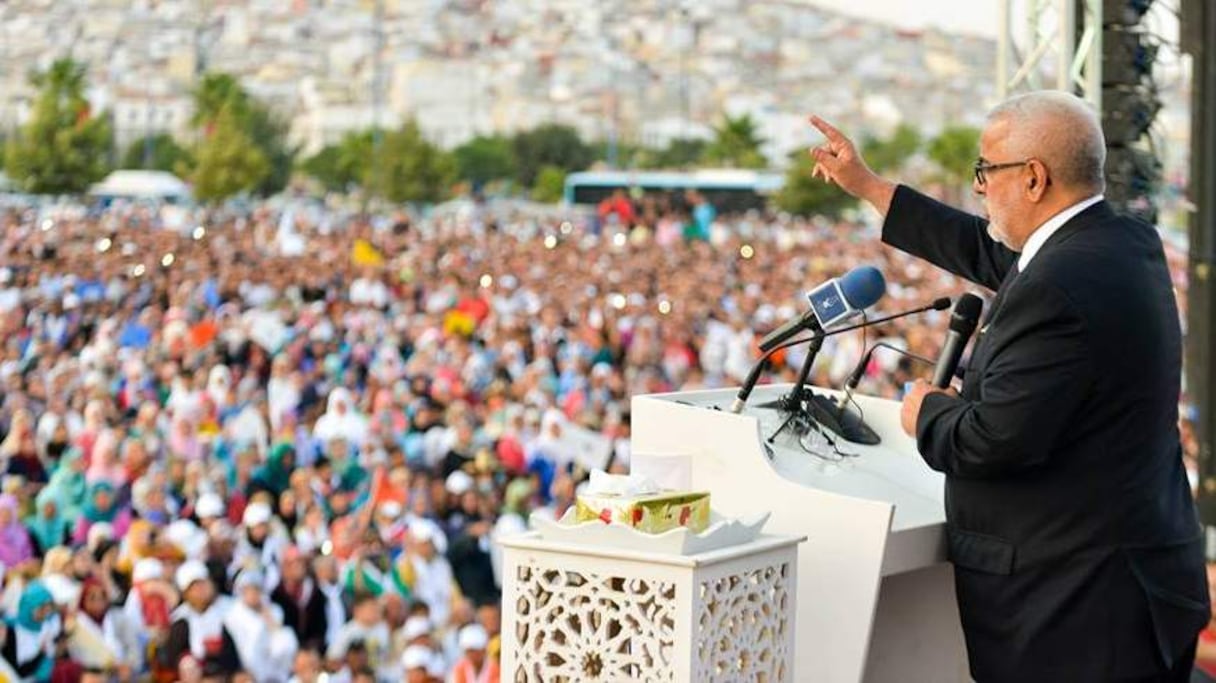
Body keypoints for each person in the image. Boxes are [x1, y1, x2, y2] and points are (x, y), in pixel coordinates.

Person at [807, 90, 1209, 681]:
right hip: (1130, 581)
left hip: (1077, 612)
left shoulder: (1059, 285)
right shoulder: (1121, 241)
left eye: (984, 171)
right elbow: (982, 250)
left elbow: (994, 439)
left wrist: (932, 414)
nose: (977, 187)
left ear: (1033, 179)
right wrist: (868, 185)